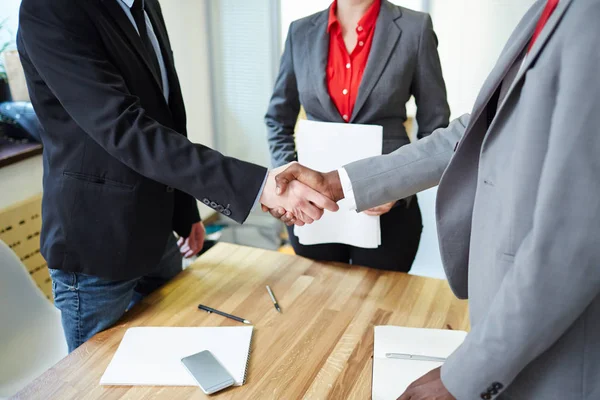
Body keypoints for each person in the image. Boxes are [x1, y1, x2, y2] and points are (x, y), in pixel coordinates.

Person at [268, 0, 600, 398]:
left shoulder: (587, 18)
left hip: (543, 335)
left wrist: (466, 375)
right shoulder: (552, 10)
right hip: (326, 210)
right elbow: (475, 126)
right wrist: (336, 182)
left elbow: (572, 245)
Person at [17, 0, 337, 353]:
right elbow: (126, 129)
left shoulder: (145, 4)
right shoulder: (50, 9)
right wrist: (260, 187)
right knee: (95, 383)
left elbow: (165, 114)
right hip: (96, 248)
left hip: (159, 233)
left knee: (170, 359)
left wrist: (185, 213)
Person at [265, 0, 449, 272]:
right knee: (318, 302)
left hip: (388, 205)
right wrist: (289, 180)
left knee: (379, 308)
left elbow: (435, 127)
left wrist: (399, 188)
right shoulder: (300, 32)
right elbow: (277, 119)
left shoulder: (415, 28)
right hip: (313, 208)